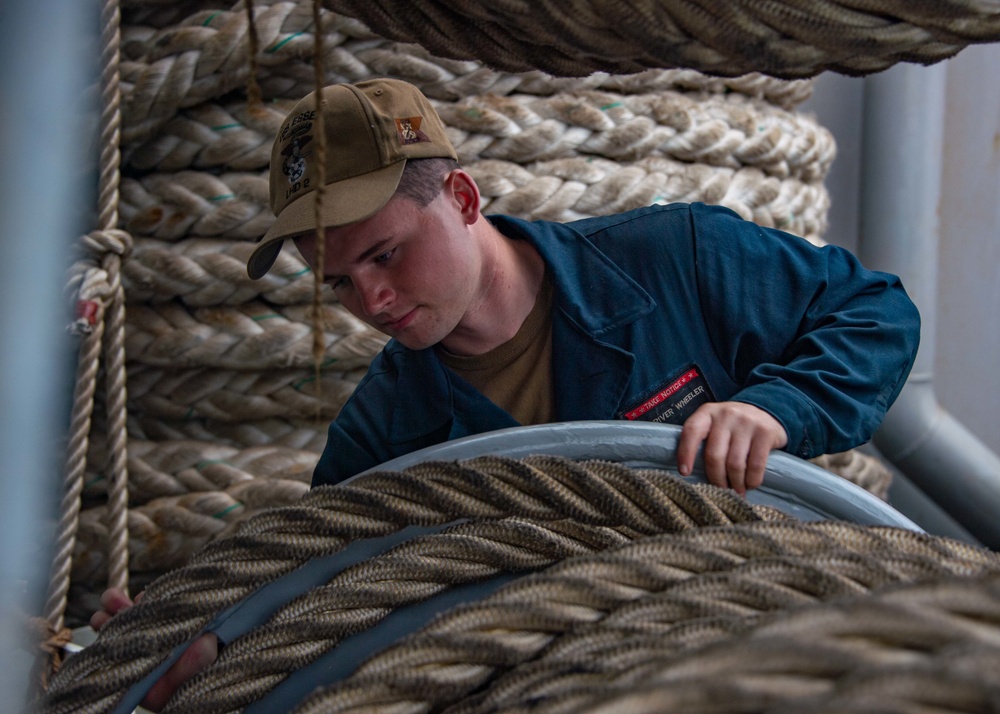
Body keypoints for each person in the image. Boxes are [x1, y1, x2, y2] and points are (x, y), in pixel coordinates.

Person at [93, 77, 920, 709]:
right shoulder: (384, 434)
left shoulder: (676, 261)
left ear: (461, 198)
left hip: (763, 638)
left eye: (386, 256)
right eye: (338, 282)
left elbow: (872, 313)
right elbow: (329, 586)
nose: (371, 303)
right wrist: (207, 646)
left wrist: (777, 407)